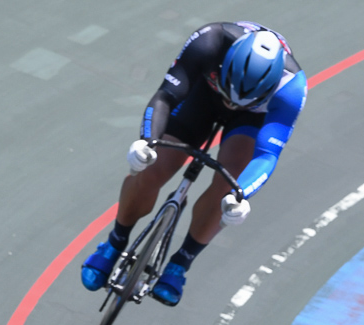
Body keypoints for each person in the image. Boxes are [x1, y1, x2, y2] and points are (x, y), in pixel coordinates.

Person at [80, 21, 306, 306]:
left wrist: (242, 196)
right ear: (224, 64)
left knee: (229, 188)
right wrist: (146, 141)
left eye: (242, 101)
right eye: (230, 95)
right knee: (153, 168)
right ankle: (115, 241)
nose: (232, 105)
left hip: (250, 120)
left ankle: (181, 262)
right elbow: (165, 96)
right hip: (203, 96)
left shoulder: (292, 88)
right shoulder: (209, 41)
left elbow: (267, 155)